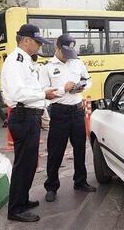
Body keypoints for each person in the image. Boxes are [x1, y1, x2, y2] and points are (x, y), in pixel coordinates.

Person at [1, 24, 59, 223]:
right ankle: (16, 208)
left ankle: (22, 200)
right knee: (23, 164)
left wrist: (44, 98)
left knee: (29, 163)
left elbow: (30, 90)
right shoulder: (15, 61)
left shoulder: (26, 61)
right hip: (23, 115)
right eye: (37, 42)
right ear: (26, 40)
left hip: (30, 115)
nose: (39, 46)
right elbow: (18, 93)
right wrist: (43, 94)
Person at [39, 34, 96, 203]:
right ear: (57, 48)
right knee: (55, 151)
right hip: (59, 112)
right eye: (65, 52)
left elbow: (88, 80)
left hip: (77, 111)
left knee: (80, 148)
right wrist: (63, 89)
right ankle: (51, 187)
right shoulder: (47, 67)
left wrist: (82, 87)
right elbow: (43, 92)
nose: (68, 56)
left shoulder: (77, 62)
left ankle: (80, 181)